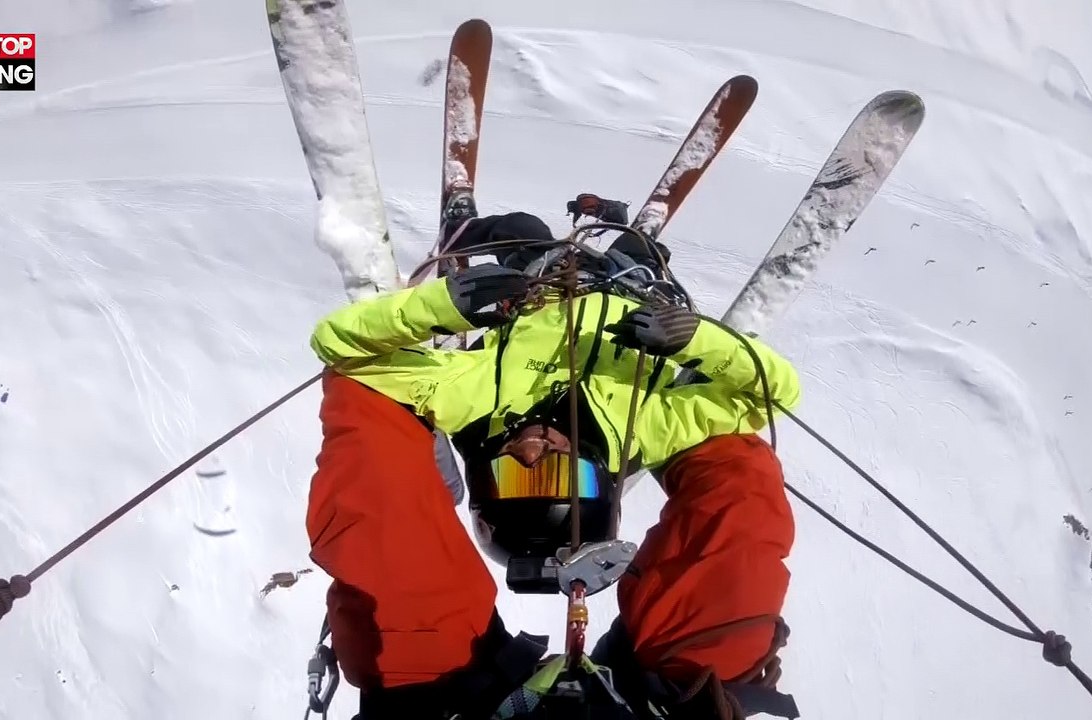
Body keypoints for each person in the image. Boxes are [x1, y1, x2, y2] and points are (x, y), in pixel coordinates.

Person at [304, 203, 803, 719]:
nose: (537, 449)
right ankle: (632, 244)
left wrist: (439, 308)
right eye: (565, 473)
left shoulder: (478, 405)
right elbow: (772, 396)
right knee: (739, 483)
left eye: (515, 472)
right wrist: (696, 339)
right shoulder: (637, 429)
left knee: (523, 235)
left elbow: (345, 360)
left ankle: (517, 240)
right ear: (602, 476)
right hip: (631, 302)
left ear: (485, 473)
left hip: (531, 292)